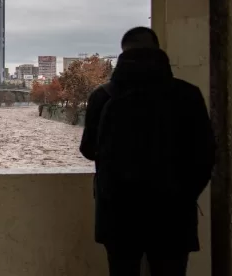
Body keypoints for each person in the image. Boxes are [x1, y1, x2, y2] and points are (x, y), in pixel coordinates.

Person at [80, 27, 215, 276]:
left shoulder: (103, 96)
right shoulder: (187, 94)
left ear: (123, 52)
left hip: (118, 214)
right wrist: (183, 194)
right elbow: (205, 156)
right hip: (173, 213)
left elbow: (88, 150)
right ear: (158, 49)